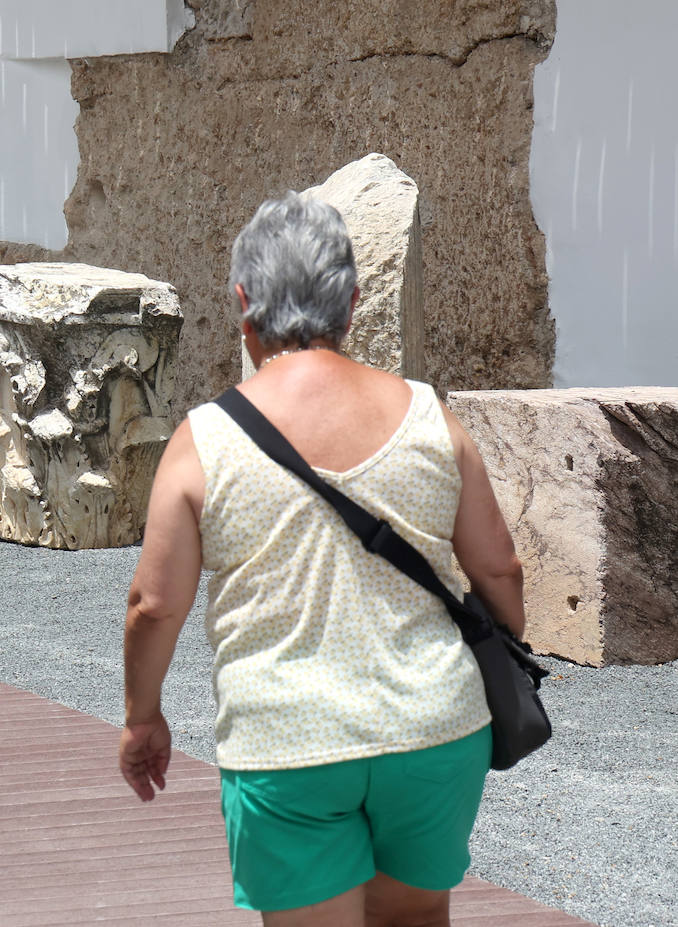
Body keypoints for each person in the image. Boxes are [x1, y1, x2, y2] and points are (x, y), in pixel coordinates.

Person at [119, 192, 525, 926]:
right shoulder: (431, 416)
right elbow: (500, 569)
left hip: (288, 738)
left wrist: (142, 716)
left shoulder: (204, 439)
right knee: (416, 917)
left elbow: (154, 603)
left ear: (243, 301)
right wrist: (508, 649)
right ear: (353, 303)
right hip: (432, 728)